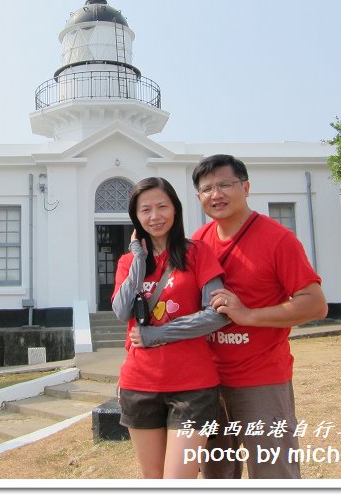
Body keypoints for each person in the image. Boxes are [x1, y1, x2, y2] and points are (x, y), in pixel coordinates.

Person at [135, 155, 329, 479]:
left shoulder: (278, 240)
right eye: (207, 188)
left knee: (273, 473)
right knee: (216, 474)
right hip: (204, 383)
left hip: (260, 381)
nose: (216, 194)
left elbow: (316, 304)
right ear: (198, 198)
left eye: (225, 184)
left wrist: (248, 315)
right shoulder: (197, 243)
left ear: (246, 187)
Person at [111, 177, 228, 479]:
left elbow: (217, 315)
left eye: (162, 206)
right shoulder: (128, 261)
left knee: (178, 479)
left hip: (192, 385)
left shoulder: (198, 253)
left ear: (175, 209)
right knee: (153, 479)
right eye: (145, 209)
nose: (154, 216)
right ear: (135, 218)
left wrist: (156, 335)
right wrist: (139, 256)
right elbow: (122, 310)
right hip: (140, 384)